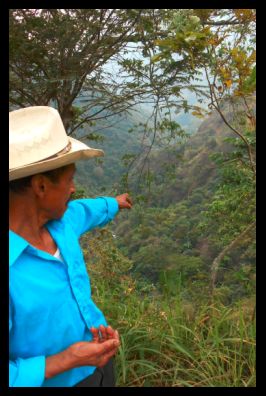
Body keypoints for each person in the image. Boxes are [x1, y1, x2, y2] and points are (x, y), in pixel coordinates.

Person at [9, 106, 133, 387]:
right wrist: (67, 359)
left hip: (101, 368)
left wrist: (115, 203)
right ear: (40, 187)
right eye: (70, 179)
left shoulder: (62, 223)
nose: (74, 188)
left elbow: (86, 210)